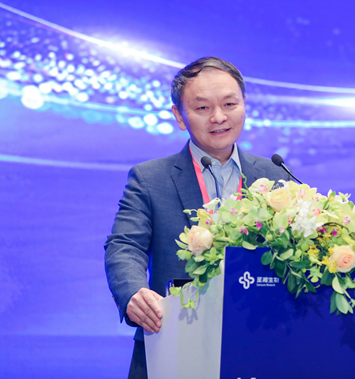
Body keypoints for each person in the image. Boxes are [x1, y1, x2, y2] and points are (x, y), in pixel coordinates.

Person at [104, 56, 290, 378]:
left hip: (260, 344)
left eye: (229, 104)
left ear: (244, 104)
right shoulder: (150, 178)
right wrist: (133, 291)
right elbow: (124, 245)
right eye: (202, 107)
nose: (218, 117)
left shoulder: (274, 175)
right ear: (179, 116)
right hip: (173, 343)